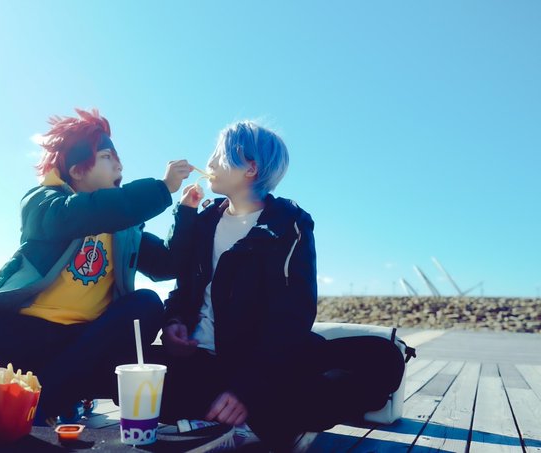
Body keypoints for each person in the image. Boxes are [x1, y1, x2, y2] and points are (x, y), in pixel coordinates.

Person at [0, 108, 193, 423]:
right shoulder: (43, 202)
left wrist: (186, 212)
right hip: (17, 333)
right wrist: (161, 188)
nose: (119, 166)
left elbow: (167, 265)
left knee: (146, 303)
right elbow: (82, 214)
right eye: (107, 157)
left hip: (83, 346)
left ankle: (35, 409)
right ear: (77, 170)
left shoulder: (127, 229)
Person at [158, 121, 406, 450]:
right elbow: (181, 290)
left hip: (265, 366)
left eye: (220, 153)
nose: (210, 161)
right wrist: (174, 322)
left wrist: (248, 388)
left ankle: (241, 419)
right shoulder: (202, 223)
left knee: (384, 360)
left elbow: (293, 316)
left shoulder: (289, 225)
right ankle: (266, 424)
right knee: (136, 372)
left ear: (250, 168)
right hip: (204, 362)